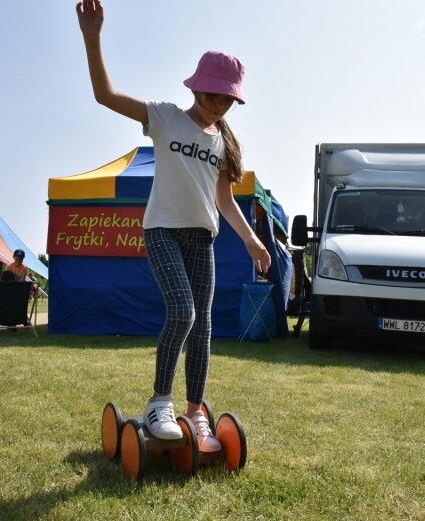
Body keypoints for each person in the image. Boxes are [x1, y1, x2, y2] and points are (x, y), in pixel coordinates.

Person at [77, 0, 271, 452]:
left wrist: (252, 240)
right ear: (196, 88)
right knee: (182, 312)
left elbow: (223, 199)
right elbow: (104, 95)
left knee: (202, 327)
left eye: (226, 99)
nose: (217, 104)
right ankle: (158, 402)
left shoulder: (223, 141)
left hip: (203, 238)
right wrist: (93, 35)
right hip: (162, 230)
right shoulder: (164, 117)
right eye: (211, 95)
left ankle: (196, 409)